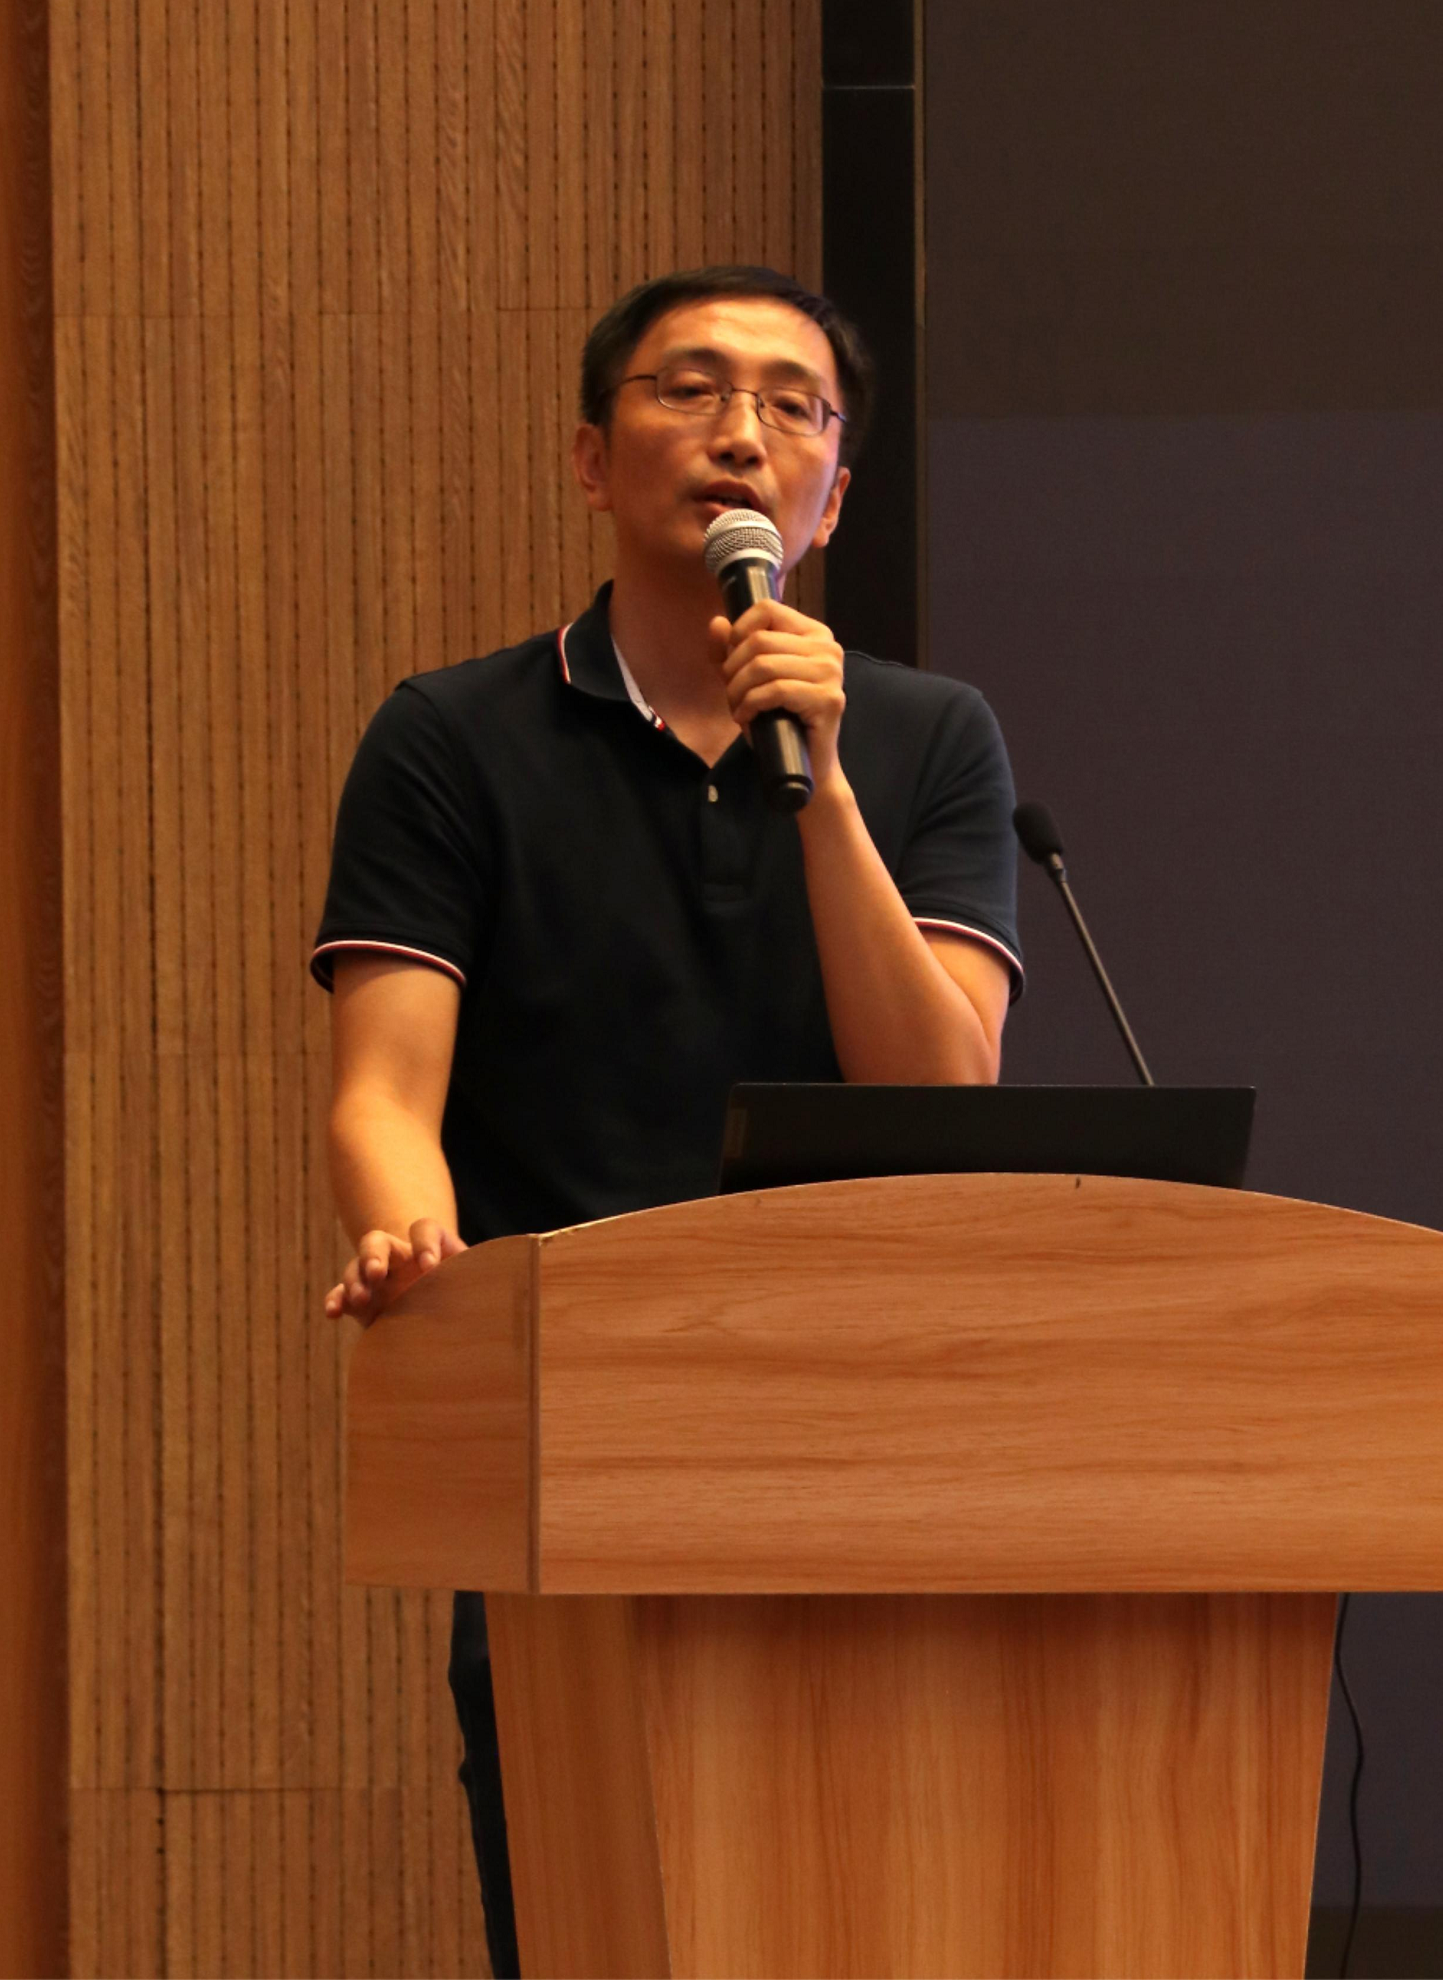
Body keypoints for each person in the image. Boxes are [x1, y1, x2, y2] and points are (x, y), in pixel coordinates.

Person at [310, 264, 1023, 1974]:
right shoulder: (453, 739)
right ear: (591, 458)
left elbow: (939, 1096)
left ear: (831, 495)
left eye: (792, 406)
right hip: (578, 1440)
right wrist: (414, 1240)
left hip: (876, 1441)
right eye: (688, 389)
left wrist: (821, 779)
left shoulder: (928, 741)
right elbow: (384, 1094)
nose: (740, 433)